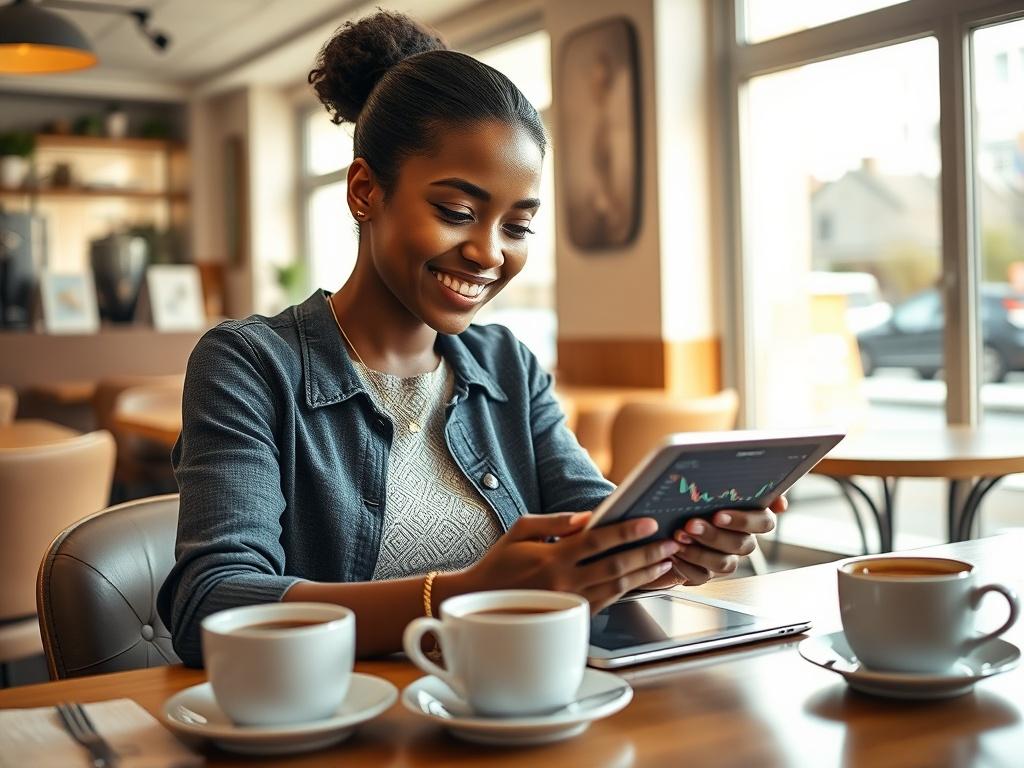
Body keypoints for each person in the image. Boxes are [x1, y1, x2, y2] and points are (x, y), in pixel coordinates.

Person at [157, 10, 781, 667]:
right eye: (457, 212)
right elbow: (213, 605)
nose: (489, 253)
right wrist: (458, 597)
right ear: (365, 191)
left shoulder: (507, 365)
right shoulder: (252, 364)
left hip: (516, 711)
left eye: (517, 226)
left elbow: (592, 528)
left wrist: (667, 553)